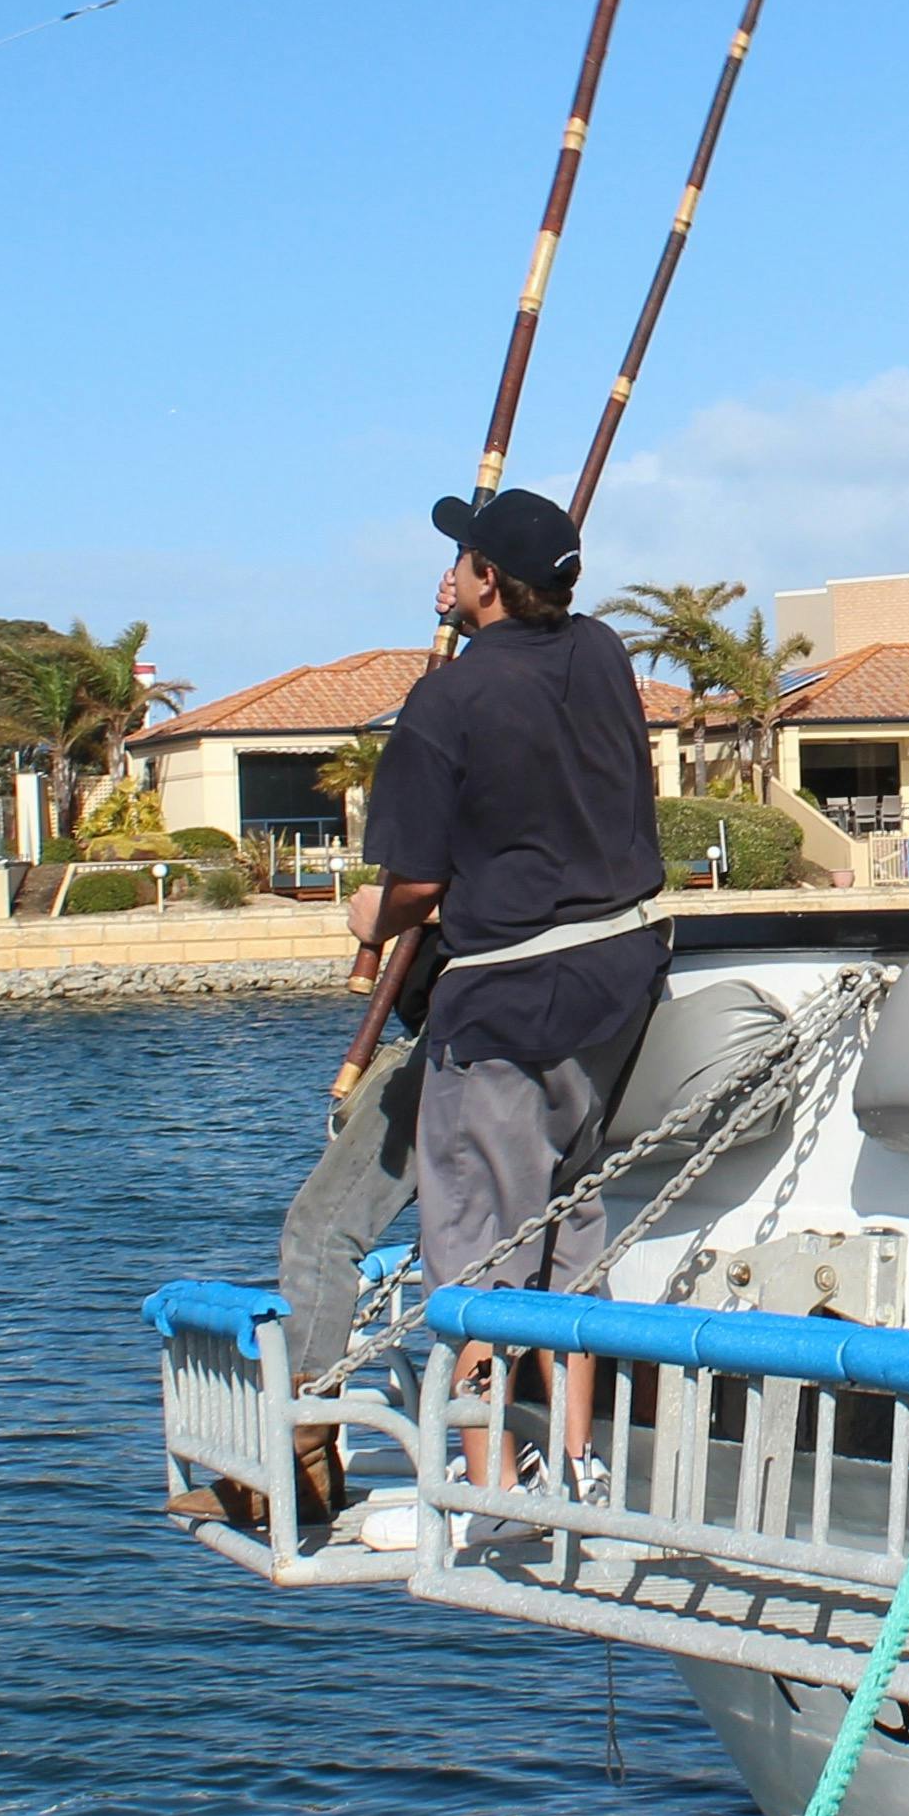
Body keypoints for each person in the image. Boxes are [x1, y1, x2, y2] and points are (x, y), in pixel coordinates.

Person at [261, 484, 671, 1524]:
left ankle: (485, 1481)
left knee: (472, 1243)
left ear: (490, 580)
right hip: (618, 982)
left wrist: (367, 914)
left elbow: (414, 882)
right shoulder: (604, 656)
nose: (448, 573)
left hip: (503, 1002)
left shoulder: (446, 703)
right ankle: (576, 1462)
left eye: (463, 561)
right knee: (568, 1224)